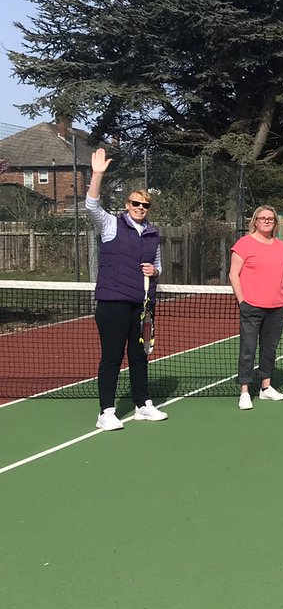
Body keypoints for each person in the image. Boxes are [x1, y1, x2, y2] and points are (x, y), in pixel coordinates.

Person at [85, 147, 169, 431]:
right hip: (113, 302)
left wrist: (155, 272)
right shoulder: (111, 224)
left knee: (139, 356)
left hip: (142, 304)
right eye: (136, 203)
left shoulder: (153, 234)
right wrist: (97, 174)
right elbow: (91, 206)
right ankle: (106, 412)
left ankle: (142, 405)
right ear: (127, 204)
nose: (140, 208)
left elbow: (159, 266)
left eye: (145, 205)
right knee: (112, 357)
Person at [229, 205, 283, 410]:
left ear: (275, 222)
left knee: (270, 349)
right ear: (255, 221)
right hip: (252, 307)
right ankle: (245, 391)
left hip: (278, 307)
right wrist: (242, 301)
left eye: (270, 219)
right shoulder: (244, 244)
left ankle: (266, 387)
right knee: (247, 349)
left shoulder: (281, 246)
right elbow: (233, 274)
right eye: (262, 218)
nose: (266, 221)